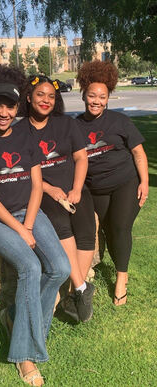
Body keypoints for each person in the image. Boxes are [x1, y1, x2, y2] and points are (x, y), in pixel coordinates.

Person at [0, 64, 70, 386]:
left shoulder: (26, 136)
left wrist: (29, 220)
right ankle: (24, 356)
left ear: (16, 107)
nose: (3, 112)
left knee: (60, 269)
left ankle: (14, 319)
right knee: (30, 268)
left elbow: (37, 184)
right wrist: (21, 229)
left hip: (30, 211)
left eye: (8, 106)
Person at [16, 75, 96, 322]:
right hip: (44, 193)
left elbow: (81, 158)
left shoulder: (66, 124)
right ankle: (83, 288)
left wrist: (77, 189)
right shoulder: (18, 132)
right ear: (29, 98)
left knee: (85, 230)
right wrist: (49, 190)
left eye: (51, 96)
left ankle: (75, 292)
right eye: (40, 94)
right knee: (61, 225)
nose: (46, 100)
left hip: (74, 187)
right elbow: (23, 173)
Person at [76, 60, 149, 305]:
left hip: (125, 182)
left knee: (119, 227)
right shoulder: (74, 126)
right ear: (84, 94)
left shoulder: (120, 122)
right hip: (96, 188)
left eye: (102, 97)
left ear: (108, 98)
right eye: (92, 95)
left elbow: (138, 153)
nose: (97, 101)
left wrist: (145, 182)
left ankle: (121, 279)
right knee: (105, 229)